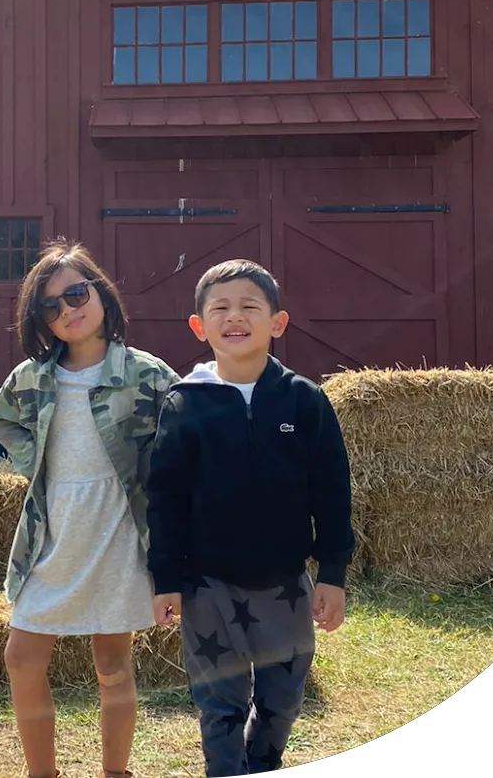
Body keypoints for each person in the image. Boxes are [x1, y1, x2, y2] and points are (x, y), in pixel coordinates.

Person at [145, 259, 355, 777]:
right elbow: (165, 498)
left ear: (277, 322)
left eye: (248, 306)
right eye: (219, 308)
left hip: (286, 583)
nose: (234, 316)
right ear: (199, 326)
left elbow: (332, 491)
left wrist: (332, 574)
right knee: (221, 706)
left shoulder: (304, 400)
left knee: (282, 704)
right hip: (207, 587)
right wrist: (165, 579)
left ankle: (263, 763)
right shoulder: (185, 403)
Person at [0, 237, 182, 778]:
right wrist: (34, 460)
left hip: (117, 533)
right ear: (40, 320)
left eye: (76, 294)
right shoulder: (33, 377)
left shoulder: (147, 374)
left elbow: (185, 439)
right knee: (21, 657)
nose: (67, 310)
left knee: (112, 664)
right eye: (50, 306)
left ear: (100, 292)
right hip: (52, 535)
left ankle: (114, 773)